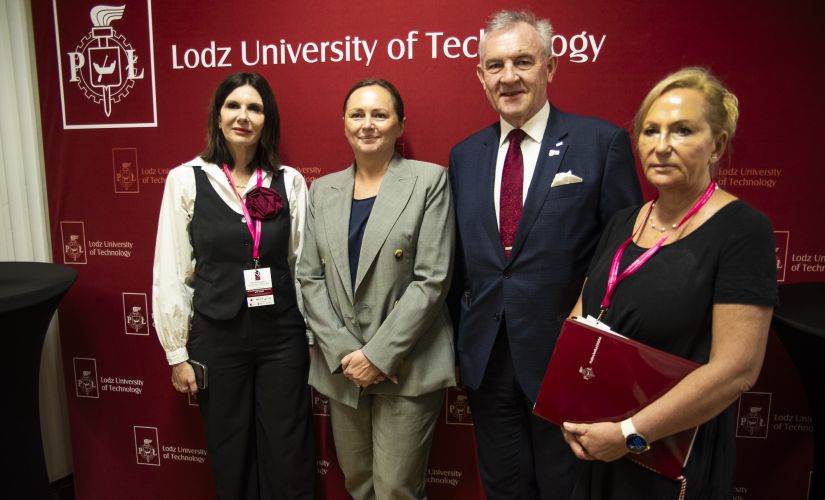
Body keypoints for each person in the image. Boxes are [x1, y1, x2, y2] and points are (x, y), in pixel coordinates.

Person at [448, 9, 642, 500]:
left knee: (566, 489)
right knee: (503, 488)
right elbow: (462, 264)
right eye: (495, 66)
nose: (508, 77)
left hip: (569, 363)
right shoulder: (464, 155)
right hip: (487, 361)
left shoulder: (601, 144)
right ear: (480, 76)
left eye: (523, 62)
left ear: (550, 67)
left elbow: (624, 258)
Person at [561, 67, 778, 499]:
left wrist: (629, 433)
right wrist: (570, 408)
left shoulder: (743, 231)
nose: (661, 146)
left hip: (668, 455)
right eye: (650, 131)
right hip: (599, 445)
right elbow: (582, 318)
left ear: (717, 145)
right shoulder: (624, 221)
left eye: (682, 131)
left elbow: (736, 369)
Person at [152, 72, 314, 499]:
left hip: (282, 336)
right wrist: (176, 353)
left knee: (289, 449)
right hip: (217, 336)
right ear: (218, 116)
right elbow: (172, 270)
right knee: (231, 451)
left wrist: (312, 335)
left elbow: (302, 265)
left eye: (254, 108)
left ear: (267, 119)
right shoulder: (185, 179)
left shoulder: (290, 181)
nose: (243, 116)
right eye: (234, 106)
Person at [298, 78, 456, 500]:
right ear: (344, 124)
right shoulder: (322, 190)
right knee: (359, 484)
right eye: (358, 114)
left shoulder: (429, 181)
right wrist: (346, 353)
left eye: (380, 115)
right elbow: (310, 278)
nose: (368, 124)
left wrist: (377, 356)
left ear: (399, 125)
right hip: (344, 368)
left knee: (396, 490)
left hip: (407, 365)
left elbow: (432, 279)